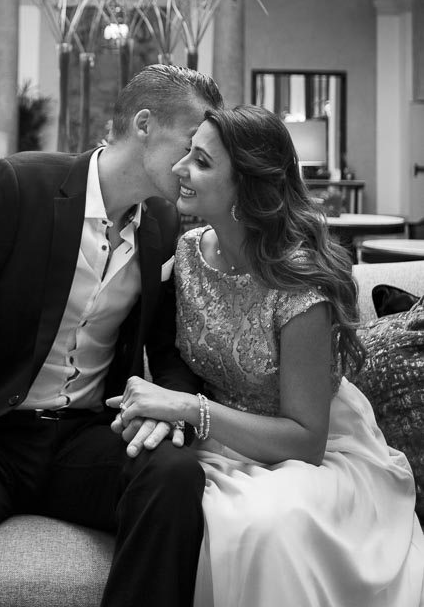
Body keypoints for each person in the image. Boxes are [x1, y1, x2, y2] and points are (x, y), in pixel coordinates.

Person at [0, 64, 224, 607]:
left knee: (174, 476)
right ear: (144, 124)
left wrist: (171, 408)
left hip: (85, 438)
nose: (195, 167)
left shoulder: (166, 226)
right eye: (190, 145)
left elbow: (166, 349)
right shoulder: (18, 184)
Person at [109, 104, 424, 607]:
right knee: (175, 500)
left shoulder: (299, 283)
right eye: (188, 151)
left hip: (307, 449)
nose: (179, 169)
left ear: (246, 190)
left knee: (260, 526)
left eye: (202, 162)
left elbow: (306, 440)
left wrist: (190, 409)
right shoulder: (188, 252)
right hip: (217, 443)